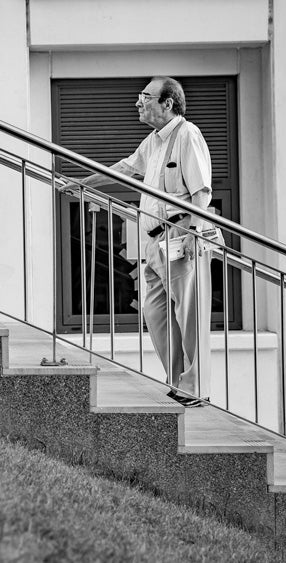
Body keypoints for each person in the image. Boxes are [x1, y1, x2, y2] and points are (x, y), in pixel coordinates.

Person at [61, 77, 214, 406]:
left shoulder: (188, 135)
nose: (137, 103)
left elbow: (201, 190)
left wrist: (194, 231)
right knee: (155, 312)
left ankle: (195, 386)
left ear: (167, 103)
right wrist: (81, 182)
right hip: (155, 243)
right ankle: (178, 381)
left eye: (145, 97)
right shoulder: (153, 142)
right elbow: (125, 169)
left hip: (180, 235)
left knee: (189, 314)